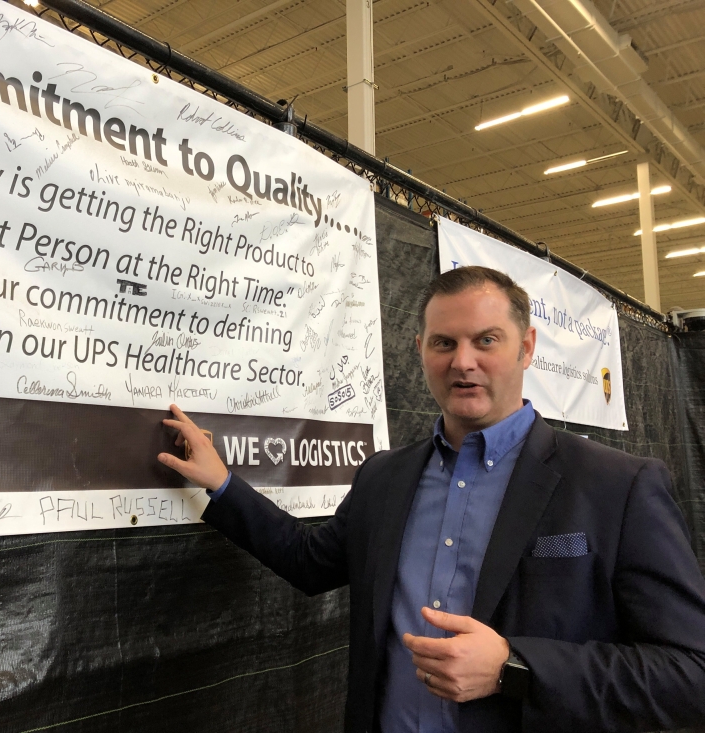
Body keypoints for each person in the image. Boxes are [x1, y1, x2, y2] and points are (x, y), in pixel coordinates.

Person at [157, 266, 705, 733]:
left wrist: (514, 667)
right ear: (420, 350)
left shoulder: (617, 487)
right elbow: (308, 561)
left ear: (527, 348)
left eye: (486, 340)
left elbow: (690, 671)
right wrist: (222, 483)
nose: (463, 361)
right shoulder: (384, 477)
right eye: (444, 343)